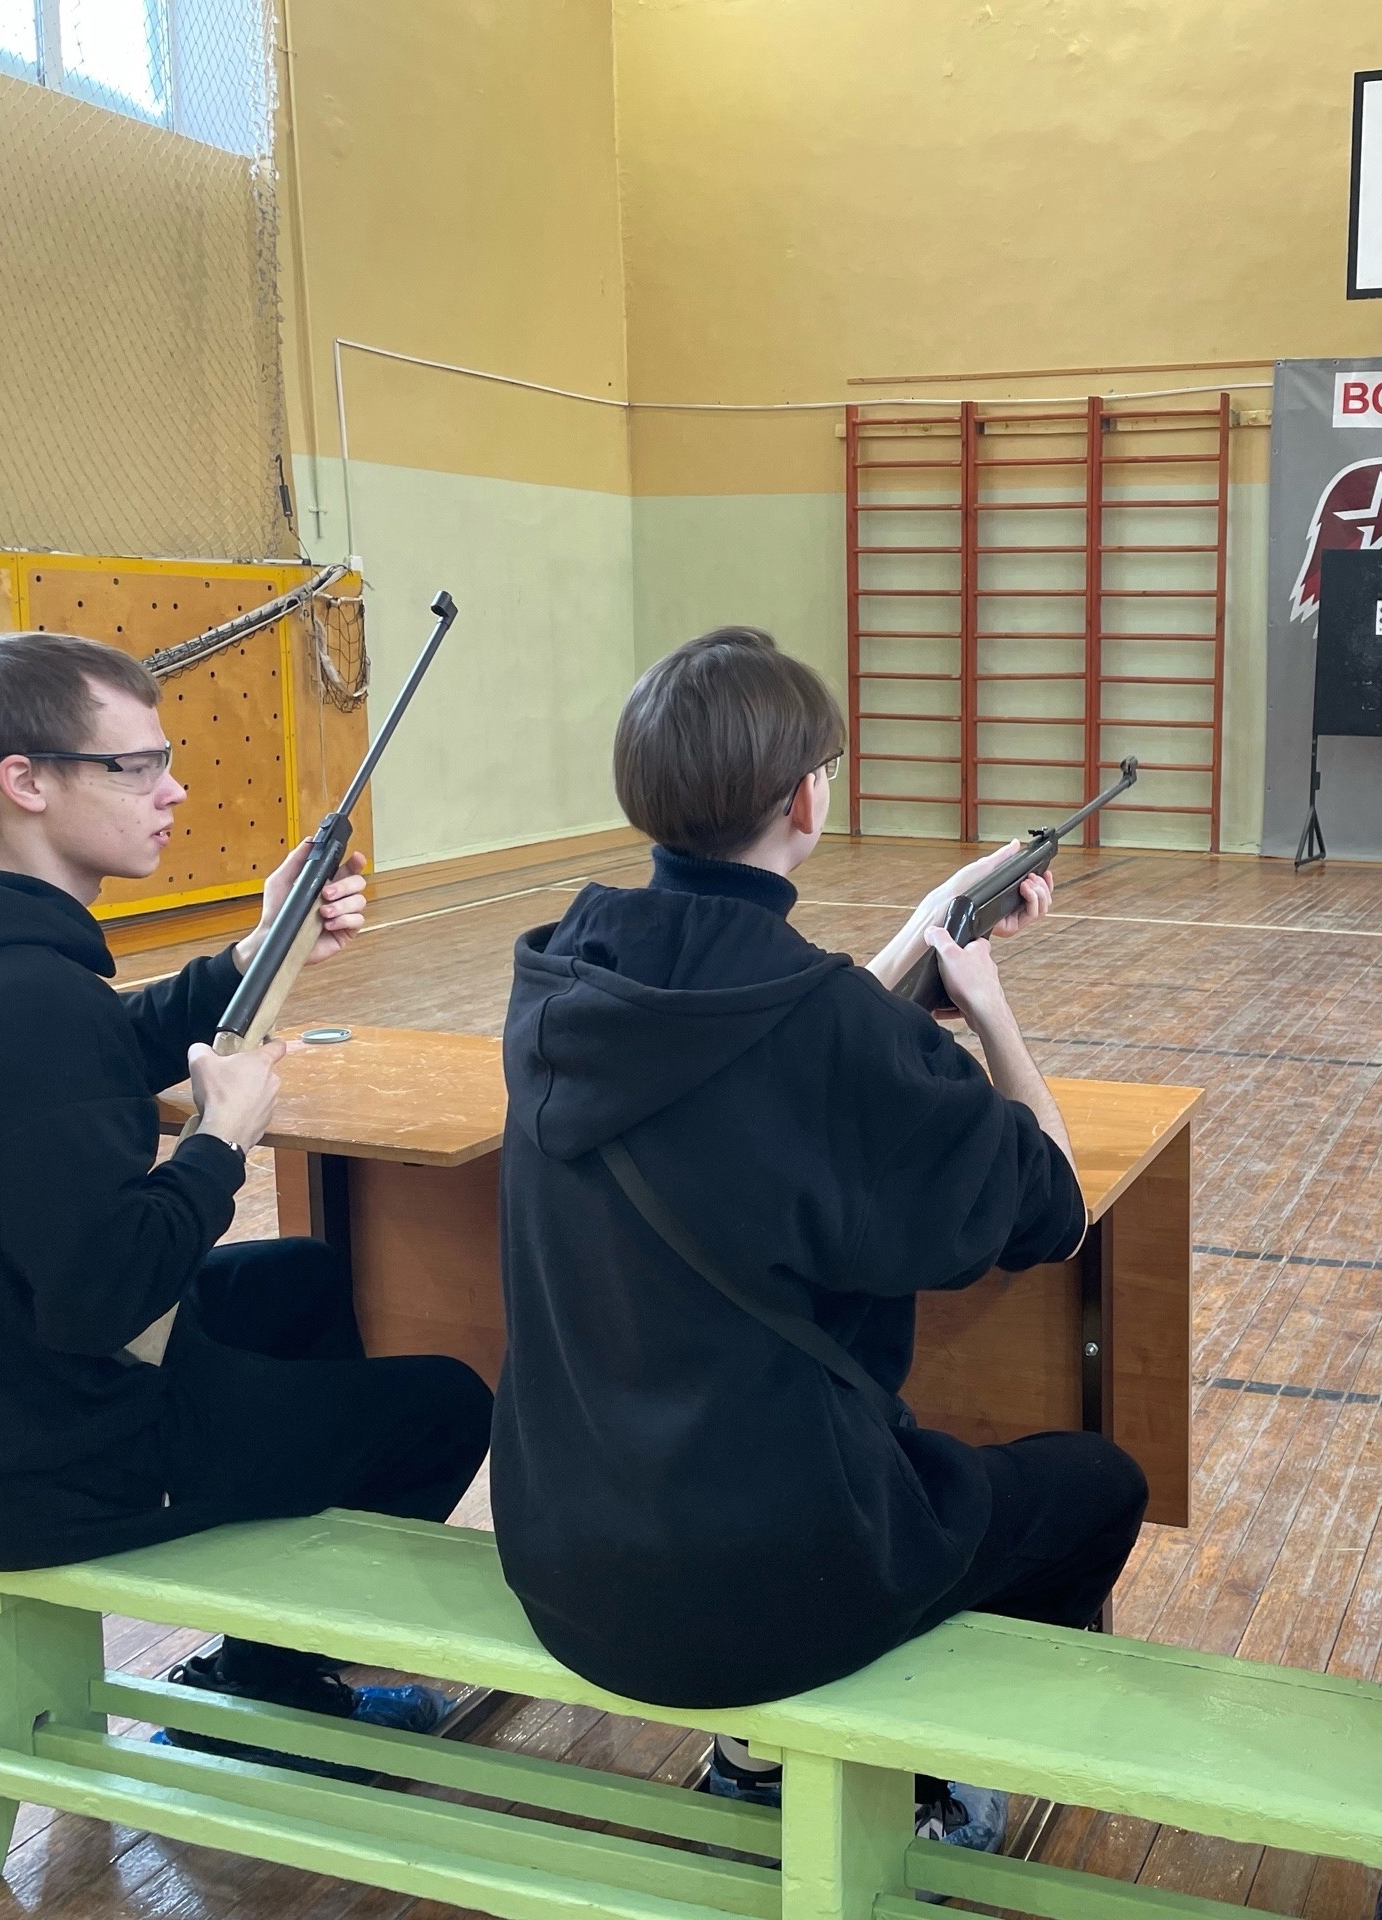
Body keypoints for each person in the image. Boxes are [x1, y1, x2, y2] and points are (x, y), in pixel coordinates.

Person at [493, 626, 1149, 1851]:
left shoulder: (563, 977)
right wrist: (990, 1014)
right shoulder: (837, 1034)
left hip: (560, 1550)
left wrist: (921, 939)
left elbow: (761, 1039)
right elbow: (1049, 1203)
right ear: (807, 797)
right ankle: (924, 1782)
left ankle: (751, 1761)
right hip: (765, 1580)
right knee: (1096, 1489)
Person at [0, 631, 493, 1741]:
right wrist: (220, 1142)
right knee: (445, 1403)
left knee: (303, 1277)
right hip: (26, 1470)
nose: (173, 790)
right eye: (135, 766)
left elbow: (93, 1055)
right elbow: (103, 1296)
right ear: (25, 782)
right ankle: (268, 1698)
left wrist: (260, 951)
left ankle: (263, 1661)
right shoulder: (27, 1003)